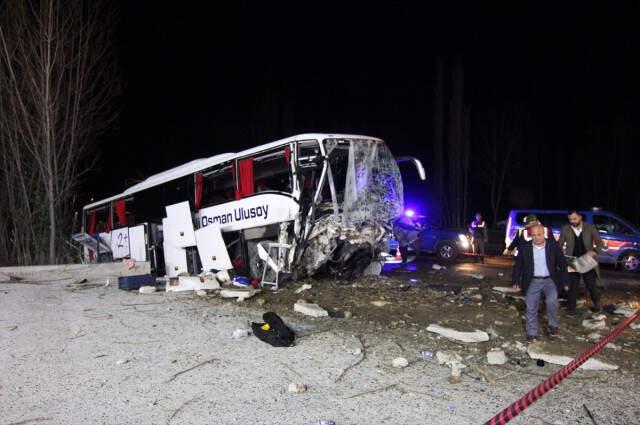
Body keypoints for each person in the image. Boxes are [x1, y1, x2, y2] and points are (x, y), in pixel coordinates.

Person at [512, 224, 569, 342]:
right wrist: (516, 280)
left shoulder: (553, 247)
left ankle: (553, 324)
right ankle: (532, 332)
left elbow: (562, 265)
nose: (536, 237)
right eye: (533, 235)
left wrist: (565, 282)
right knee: (531, 307)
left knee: (551, 301)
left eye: (539, 235)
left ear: (543, 234)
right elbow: (518, 265)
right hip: (532, 280)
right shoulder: (525, 248)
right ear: (531, 236)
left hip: (549, 280)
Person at [557, 209, 604, 314]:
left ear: (580, 217)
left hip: (587, 259)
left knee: (591, 285)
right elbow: (559, 245)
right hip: (572, 260)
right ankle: (571, 309)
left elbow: (600, 243)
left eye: (574, 219)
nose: (572, 221)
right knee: (572, 286)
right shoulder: (565, 229)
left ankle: (597, 305)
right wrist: (558, 257)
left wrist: (594, 251)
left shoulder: (590, 227)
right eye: (570, 219)